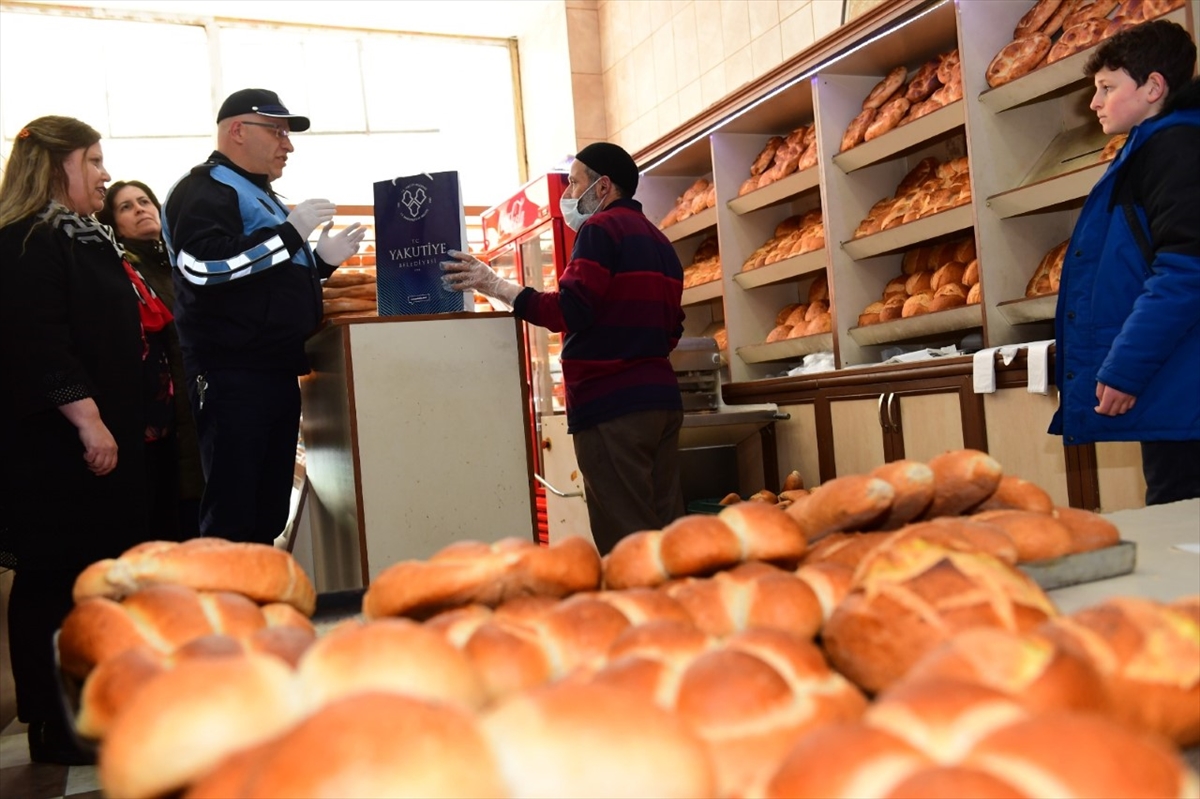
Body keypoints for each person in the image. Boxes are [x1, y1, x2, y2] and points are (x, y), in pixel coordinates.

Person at [443, 142, 686, 554]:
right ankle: (679, 613)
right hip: (661, 402)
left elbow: (570, 309)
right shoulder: (661, 242)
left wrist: (497, 286)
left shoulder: (600, 230)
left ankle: (638, 615)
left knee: (627, 541)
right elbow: (673, 328)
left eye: (574, 183)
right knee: (666, 534)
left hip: (612, 406)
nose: (568, 195)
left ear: (603, 186)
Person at [0, 116, 151, 763]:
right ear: (55, 165)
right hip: (57, 448)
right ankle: (56, 722)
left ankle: (89, 706)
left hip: (98, 446)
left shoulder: (85, 237)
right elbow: (38, 340)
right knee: (54, 580)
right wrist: (88, 419)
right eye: (91, 160)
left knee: (87, 580)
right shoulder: (27, 240)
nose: (104, 173)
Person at [161, 88, 365, 545]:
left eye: (287, 134)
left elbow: (263, 280)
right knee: (234, 510)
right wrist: (291, 233)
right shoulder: (205, 188)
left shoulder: (262, 197)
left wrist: (321, 263)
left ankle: (259, 604)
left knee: (267, 509)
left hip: (272, 368)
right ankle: (229, 610)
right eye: (276, 131)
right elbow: (204, 267)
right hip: (231, 371)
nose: (287, 145)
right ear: (237, 130)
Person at [1050, 19, 1200, 505]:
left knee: (1181, 532)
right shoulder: (1156, 147)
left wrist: (1124, 369)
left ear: (1154, 86)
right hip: (1176, 383)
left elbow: (1185, 270)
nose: (1094, 102)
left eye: (1106, 88)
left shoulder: (1174, 148)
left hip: (1183, 387)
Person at [99, 180, 204, 539]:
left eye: (144, 201)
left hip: (199, 405)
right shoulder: (123, 272)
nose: (140, 209)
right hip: (163, 421)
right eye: (126, 207)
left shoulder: (180, 262)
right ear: (113, 223)